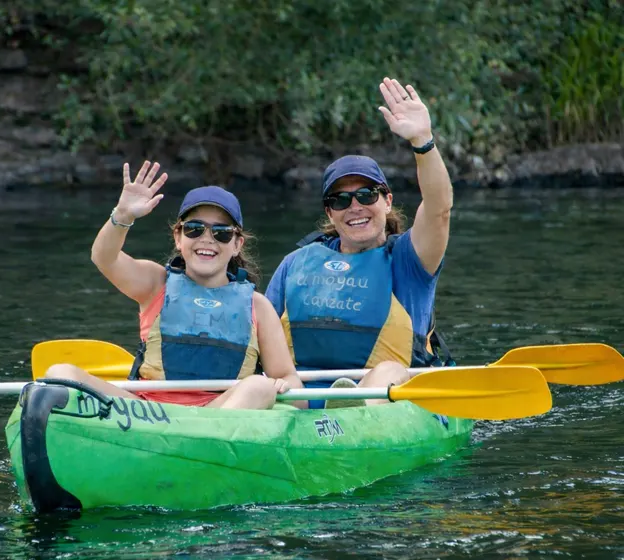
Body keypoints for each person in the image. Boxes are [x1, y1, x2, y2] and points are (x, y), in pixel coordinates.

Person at [46, 160, 303, 409]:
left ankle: (197, 447)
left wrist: (278, 387)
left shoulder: (258, 306)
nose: (207, 239)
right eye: (194, 229)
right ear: (178, 237)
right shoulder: (155, 284)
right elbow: (104, 258)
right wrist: (122, 216)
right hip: (146, 413)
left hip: (220, 414)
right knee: (60, 372)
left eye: (221, 233)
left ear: (237, 245)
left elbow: (293, 386)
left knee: (257, 386)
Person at [265, 77, 453, 409]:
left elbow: (439, 210)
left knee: (388, 370)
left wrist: (423, 142)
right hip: (299, 398)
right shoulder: (296, 263)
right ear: (329, 212)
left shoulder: (409, 259)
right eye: (341, 200)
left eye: (367, 195)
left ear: (387, 200)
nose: (355, 207)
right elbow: (260, 337)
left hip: (386, 397)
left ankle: (354, 411)